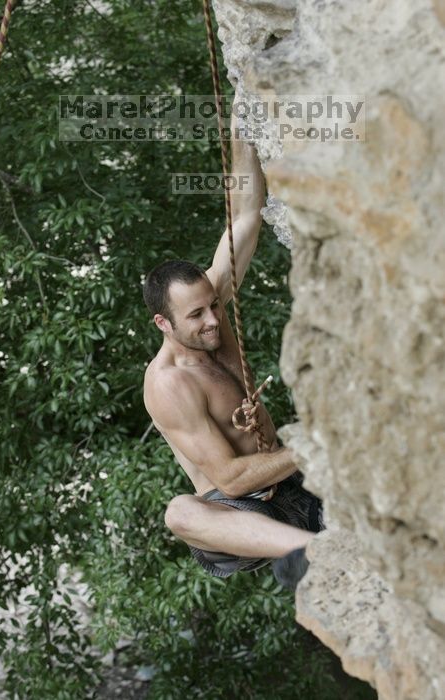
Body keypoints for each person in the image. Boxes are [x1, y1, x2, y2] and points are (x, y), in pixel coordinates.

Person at [143, 108, 324, 589]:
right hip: (243, 513)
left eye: (213, 305)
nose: (213, 320)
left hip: (296, 486)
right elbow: (231, 478)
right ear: (163, 323)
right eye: (196, 316)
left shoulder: (210, 307)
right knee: (180, 512)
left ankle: (315, 539)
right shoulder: (169, 384)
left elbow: (244, 214)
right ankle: (299, 552)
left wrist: (244, 113)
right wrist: (317, 445)